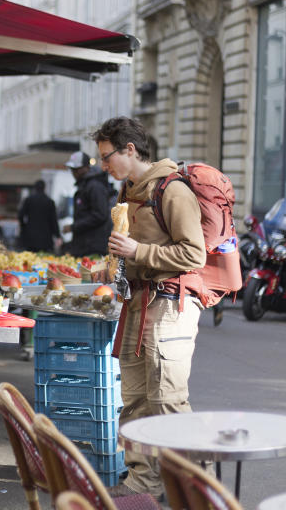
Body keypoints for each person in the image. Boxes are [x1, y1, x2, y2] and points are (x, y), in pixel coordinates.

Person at [91, 117, 206, 501]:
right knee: (137, 400)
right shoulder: (129, 191)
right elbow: (131, 251)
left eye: (107, 157)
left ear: (130, 150)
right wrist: (111, 266)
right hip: (137, 303)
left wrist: (138, 252)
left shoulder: (172, 191)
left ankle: (193, 487)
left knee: (167, 400)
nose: (104, 166)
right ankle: (142, 483)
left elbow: (194, 252)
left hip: (170, 306)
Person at [64, 151, 113, 256]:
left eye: (76, 169)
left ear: (85, 168)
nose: (73, 173)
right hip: (84, 245)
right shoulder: (85, 186)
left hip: (93, 247)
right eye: (72, 170)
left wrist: (73, 227)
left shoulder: (95, 186)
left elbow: (100, 215)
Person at [18, 180, 61, 252]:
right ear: (44, 188)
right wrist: (57, 235)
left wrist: (24, 227)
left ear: (35, 188)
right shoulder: (49, 201)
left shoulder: (29, 200)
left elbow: (20, 215)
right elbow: (53, 220)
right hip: (46, 237)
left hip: (30, 236)